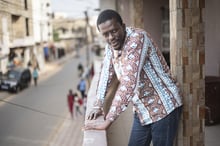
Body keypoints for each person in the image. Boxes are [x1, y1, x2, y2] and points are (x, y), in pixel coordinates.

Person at [84, 9, 183, 146]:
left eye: (114, 31)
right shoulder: (110, 47)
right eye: (105, 34)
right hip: (142, 110)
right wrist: (98, 104)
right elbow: (105, 74)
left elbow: (128, 83)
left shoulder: (138, 38)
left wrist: (108, 120)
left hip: (164, 108)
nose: (111, 37)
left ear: (123, 27)